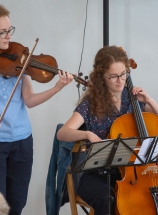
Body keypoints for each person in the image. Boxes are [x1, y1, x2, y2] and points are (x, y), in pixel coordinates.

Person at [57, 45, 158, 215]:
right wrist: (87, 133)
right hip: (99, 175)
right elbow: (62, 133)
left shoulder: (133, 99)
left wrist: (149, 100)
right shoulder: (90, 105)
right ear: (102, 77)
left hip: (140, 173)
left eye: (123, 74)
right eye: (114, 76)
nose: (120, 80)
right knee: (107, 199)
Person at [0, 4, 73, 215]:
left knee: (17, 203)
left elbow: (29, 100)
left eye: (10, 30)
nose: (8, 36)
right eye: (2, 32)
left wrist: (57, 87)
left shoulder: (18, 57)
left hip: (22, 142)